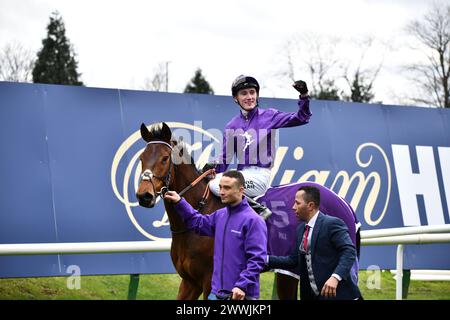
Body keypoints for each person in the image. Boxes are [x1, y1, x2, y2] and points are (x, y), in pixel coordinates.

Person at [203, 75, 312, 219]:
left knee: (217, 185)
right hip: (242, 175)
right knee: (213, 181)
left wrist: (303, 96)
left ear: (257, 95)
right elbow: (225, 159)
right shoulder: (232, 125)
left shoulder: (269, 116)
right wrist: (210, 170)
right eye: (244, 93)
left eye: (252, 92)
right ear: (235, 98)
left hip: (260, 177)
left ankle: (259, 210)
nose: (249, 97)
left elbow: (302, 117)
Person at [164, 170, 267, 300]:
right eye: (220, 187)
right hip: (216, 294)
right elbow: (198, 223)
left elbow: (257, 259)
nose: (222, 192)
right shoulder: (220, 215)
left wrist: (242, 285)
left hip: (241, 295)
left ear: (241, 190)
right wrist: (180, 202)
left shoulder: (254, 221)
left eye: (227, 188)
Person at [266, 186, 362, 300]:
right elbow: (292, 261)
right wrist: (264, 259)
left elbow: (349, 251)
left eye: (297, 203)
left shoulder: (332, 224)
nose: (293, 207)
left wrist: (335, 277)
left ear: (310, 206)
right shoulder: (301, 229)